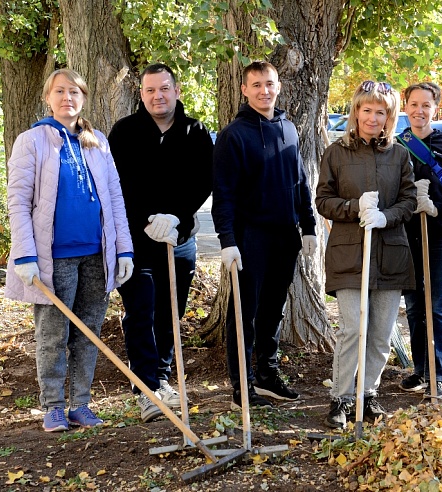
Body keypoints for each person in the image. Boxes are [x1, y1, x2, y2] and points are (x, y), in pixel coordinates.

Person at [5, 68, 134, 432]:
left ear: (83, 98)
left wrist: (123, 250)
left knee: (88, 333)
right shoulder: (32, 141)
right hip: (53, 257)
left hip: (96, 254)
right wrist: (24, 255)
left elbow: (114, 199)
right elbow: (18, 201)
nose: (68, 98)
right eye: (60, 91)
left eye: (75, 92)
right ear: (48, 97)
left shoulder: (98, 141)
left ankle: (80, 404)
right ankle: (53, 406)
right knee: (53, 334)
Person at [108, 63, 214, 423]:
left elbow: (203, 182)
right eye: (151, 90)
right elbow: (118, 185)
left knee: (171, 310)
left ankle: (163, 376)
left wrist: (177, 217)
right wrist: (147, 221)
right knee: (142, 310)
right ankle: (146, 387)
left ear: (177, 90)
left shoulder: (196, 132)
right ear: (141, 94)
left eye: (164, 88)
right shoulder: (124, 133)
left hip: (179, 239)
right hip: (137, 240)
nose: (158, 96)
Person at [212, 61, 317, 409]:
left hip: (285, 235)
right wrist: (228, 240)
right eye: (256, 85)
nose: (263, 91)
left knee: (274, 308)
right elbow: (223, 194)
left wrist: (309, 226)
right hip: (249, 238)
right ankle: (242, 387)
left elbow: (300, 181)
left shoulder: (289, 128)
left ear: (278, 86)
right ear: (244, 90)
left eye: (269, 84)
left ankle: (268, 375)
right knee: (244, 312)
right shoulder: (233, 135)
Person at [317, 80, 417, 429]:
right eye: (367, 109)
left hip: (390, 255)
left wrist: (386, 216)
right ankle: (341, 399)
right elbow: (323, 201)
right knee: (352, 329)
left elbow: (409, 201)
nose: (373, 117)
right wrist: (353, 206)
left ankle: (367, 393)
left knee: (379, 333)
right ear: (355, 111)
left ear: (390, 116)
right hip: (349, 255)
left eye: (381, 111)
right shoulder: (336, 153)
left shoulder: (399, 154)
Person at [396, 82, 442, 396]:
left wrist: (437, 208)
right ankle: (420, 369)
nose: (420, 111)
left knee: (434, 304)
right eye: (414, 104)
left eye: (426, 105)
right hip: (407, 234)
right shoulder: (397, 145)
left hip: (440, 233)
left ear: (435, 108)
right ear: (405, 107)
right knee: (412, 306)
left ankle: (437, 373)